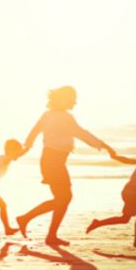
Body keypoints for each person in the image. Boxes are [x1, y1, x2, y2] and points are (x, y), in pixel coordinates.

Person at [16, 86, 111, 246]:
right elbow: (81, 133)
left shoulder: (48, 115)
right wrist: (103, 145)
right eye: (72, 98)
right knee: (64, 198)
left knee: (62, 198)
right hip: (53, 161)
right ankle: (42, 230)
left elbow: (33, 132)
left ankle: (28, 220)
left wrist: (27, 146)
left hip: (50, 160)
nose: (75, 101)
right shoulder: (65, 117)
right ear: (63, 99)